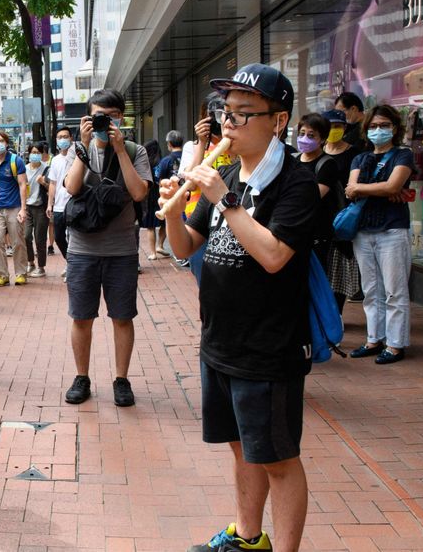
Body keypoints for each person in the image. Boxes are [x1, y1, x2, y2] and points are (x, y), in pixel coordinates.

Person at [161, 64, 318, 552]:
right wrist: (170, 210)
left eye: (243, 115)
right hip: (220, 340)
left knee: (278, 458)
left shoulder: (295, 182)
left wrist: (225, 199)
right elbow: (188, 246)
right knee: (241, 448)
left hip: (269, 347)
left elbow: (274, 256)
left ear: (278, 120)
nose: (228, 125)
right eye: (225, 114)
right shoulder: (226, 171)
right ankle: (248, 537)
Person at [62, 89, 151, 406]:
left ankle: (121, 380)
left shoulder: (134, 150)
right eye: (99, 115)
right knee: (81, 317)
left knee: (122, 318)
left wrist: (120, 150)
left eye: (112, 116)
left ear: (121, 118)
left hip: (122, 250)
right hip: (83, 250)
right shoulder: (78, 149)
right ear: (88, 117)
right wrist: (84, 145)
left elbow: (140, 193)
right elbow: (72, 188)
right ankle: (81, 377)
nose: (105, 121)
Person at [346, 104, 415, 365]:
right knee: (371, 289)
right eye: (373, 126)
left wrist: (366, 188)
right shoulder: (360, 158)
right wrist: (381, 189)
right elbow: (351, 189)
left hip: (393, 230)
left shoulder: (403, 155)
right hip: (363, 231)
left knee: (395, 291)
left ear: (395, 128)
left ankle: (395, 345)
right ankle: (374, 339)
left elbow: (394, 185)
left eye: (384, 125)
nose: (379, 130)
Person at [180, 93, 237, 280]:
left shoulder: (236, 144)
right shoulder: (193, 146)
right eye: (211, 115)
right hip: (201, 224)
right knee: (205, 281)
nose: (218, 121)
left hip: (232, 223)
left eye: (225, 114)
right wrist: (202, 142)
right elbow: (191, 181)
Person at [295, 113, 349, 311]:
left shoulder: (327, 164)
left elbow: (313, 197)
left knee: (318, 283)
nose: (305, 139)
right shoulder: (292, 160)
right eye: (302, 133)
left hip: (319, 235)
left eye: (311, 135)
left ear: (322, 139)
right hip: (295, 231)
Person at [0, 130, 28, 286]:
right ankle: (2, 275)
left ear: (6, 143)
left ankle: (21, 273)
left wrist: (23, 209)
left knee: (18, 241)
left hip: (14, 207)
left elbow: (23, 185)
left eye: (0, 141)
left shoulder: (15, 161)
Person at [46, 126, 74, 279]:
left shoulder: (77, 156)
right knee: (58, 237)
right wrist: (50, 204)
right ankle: (71, 262)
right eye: (60, 137)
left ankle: (73, 266)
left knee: (73, 236)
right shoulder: (55, 160)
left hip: (74, 203)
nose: (63, 139)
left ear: (71, 138)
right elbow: (52, 183)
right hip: (58, 206)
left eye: (65, 136)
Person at [24, 142, 50, 277]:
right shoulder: (24, 169)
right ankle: (30, 263)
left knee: (40, 238)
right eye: (32, 152)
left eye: (37, 152)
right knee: (26, 236)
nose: (35, 155)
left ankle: (41, 267)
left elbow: (52, 188)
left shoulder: (46, 169)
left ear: (42, 154)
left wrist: (43, 183)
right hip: (27, 207)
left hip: (41, 207)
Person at [140, 138, 165, 261]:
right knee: (164, 222)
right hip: (162, 195)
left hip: (149, 196)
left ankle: (153, 253)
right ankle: (160, 245)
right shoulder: (162, 162)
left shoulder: (145, 163)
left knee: (150, 226)